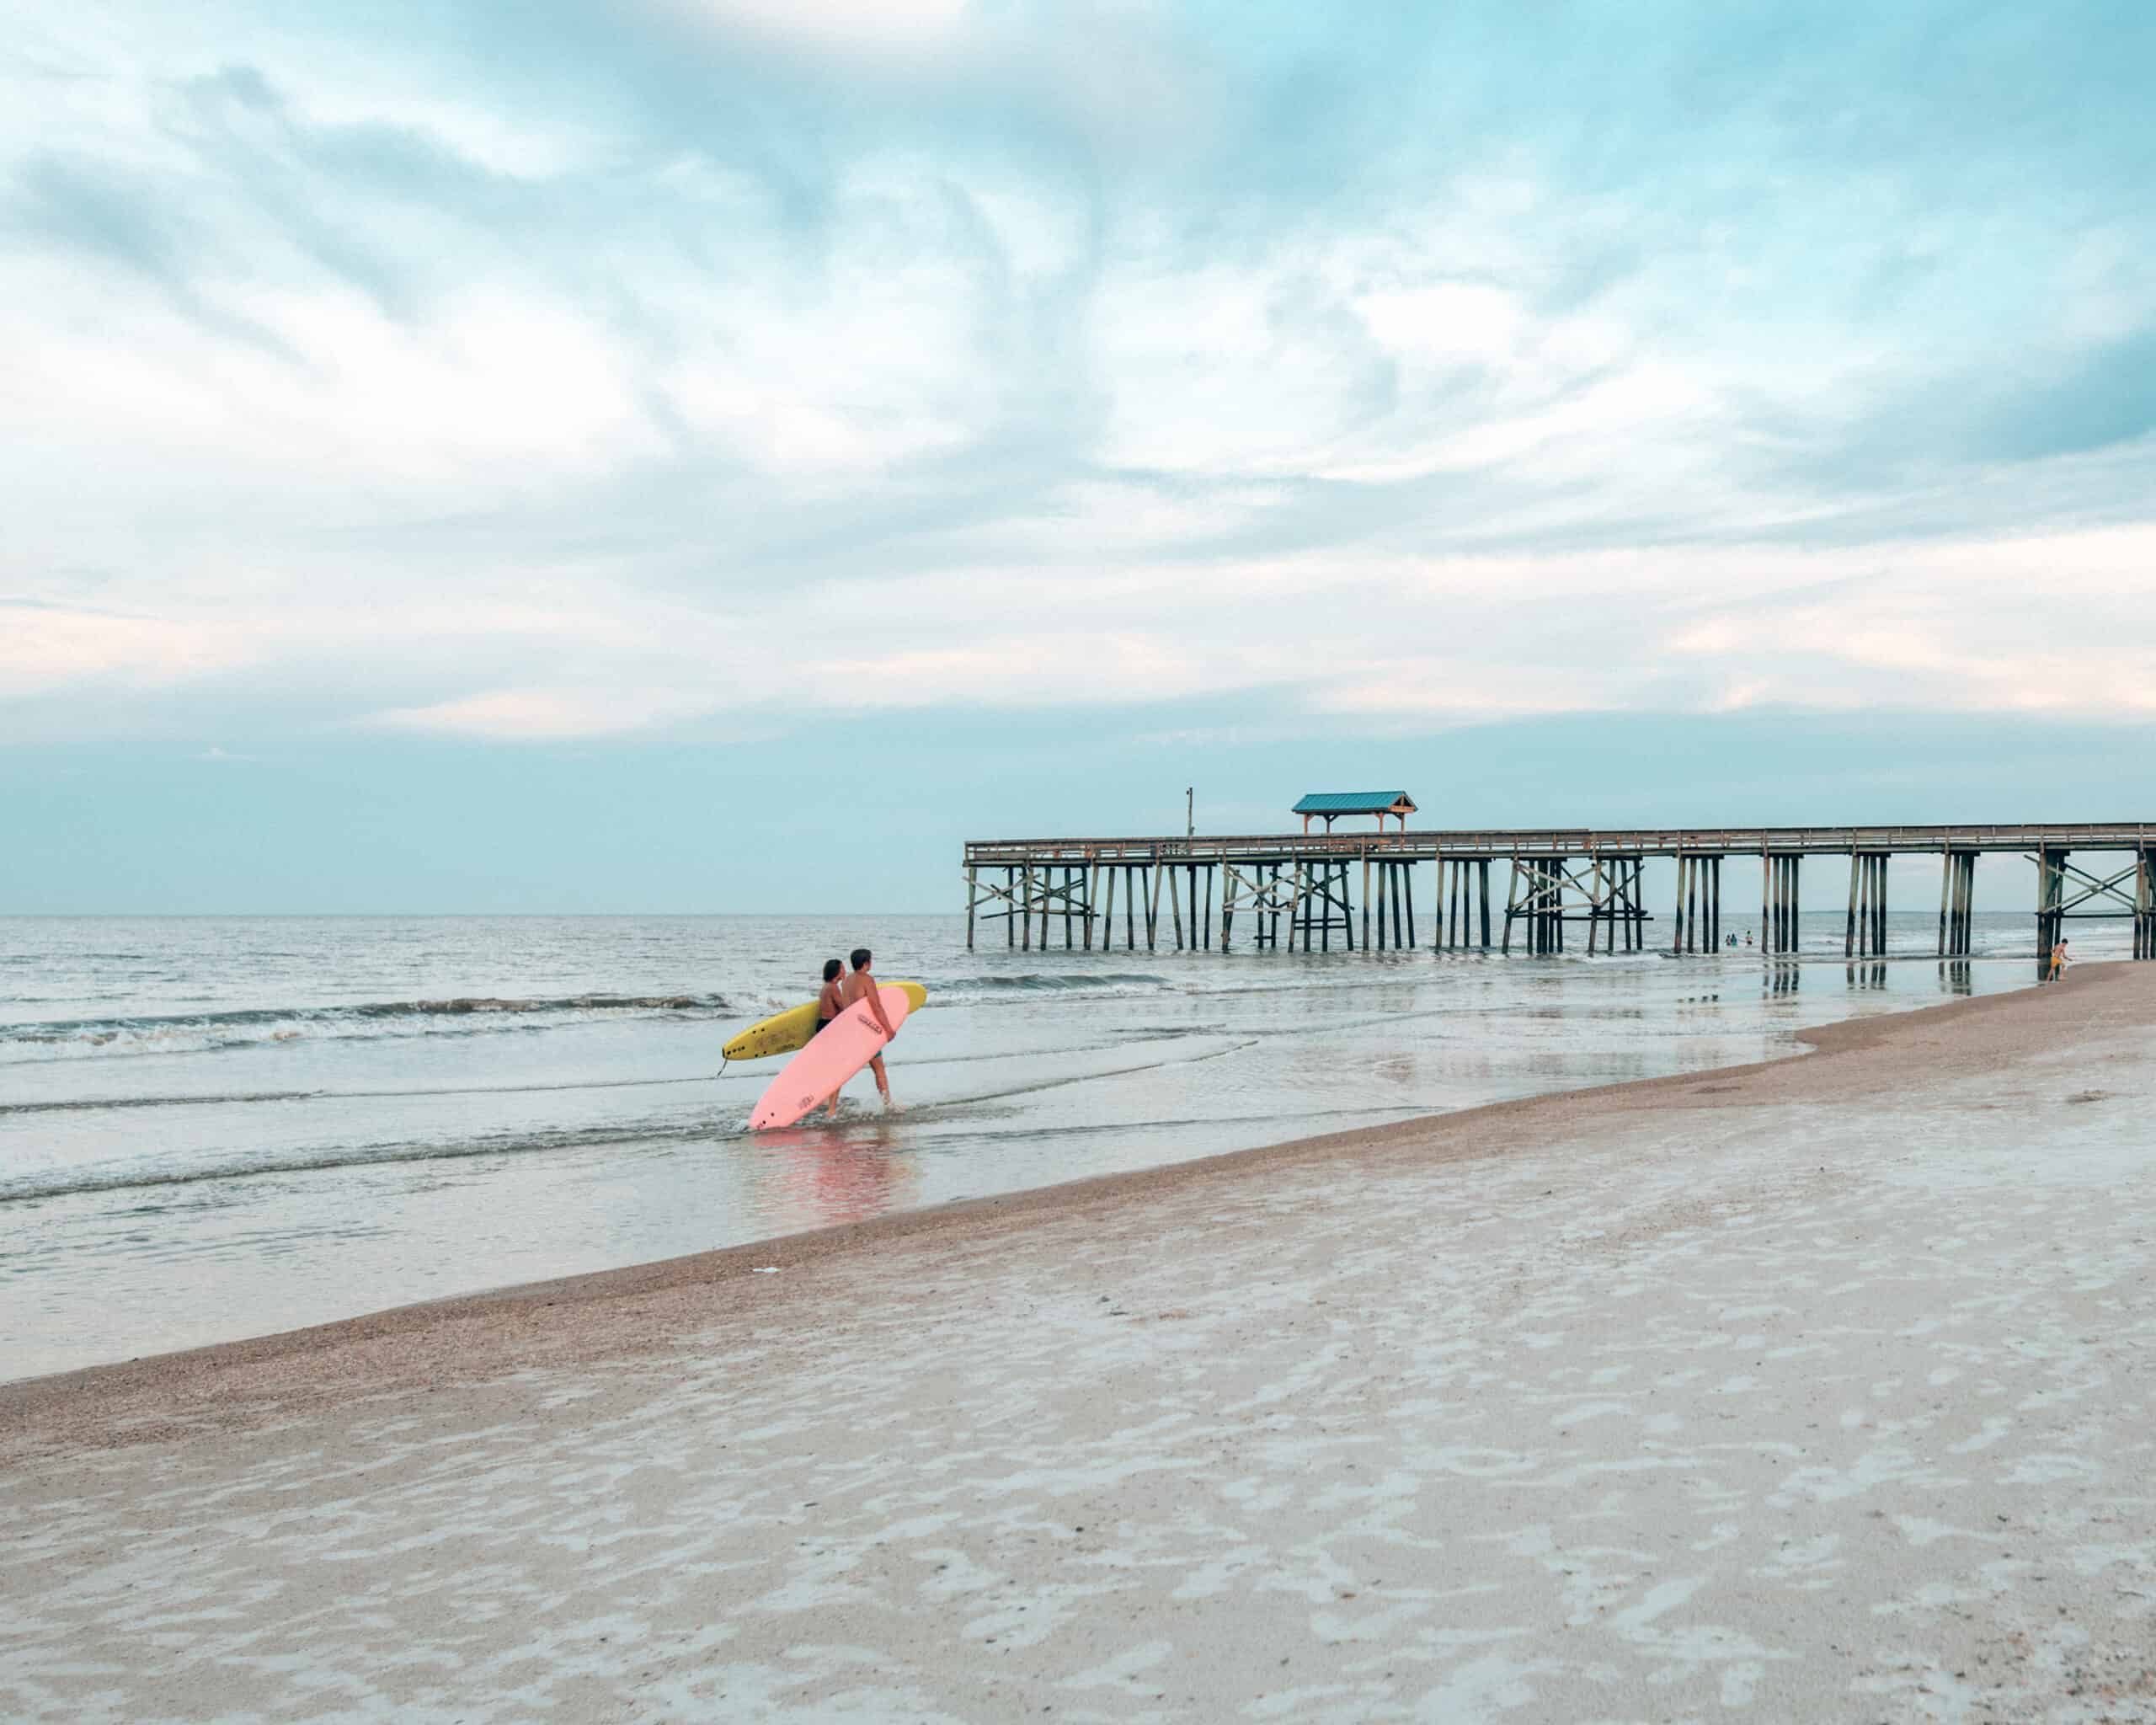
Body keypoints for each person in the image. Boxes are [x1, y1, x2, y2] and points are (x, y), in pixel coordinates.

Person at [840, 946, 898, 1108]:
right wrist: (888, 1029)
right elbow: (876, 1006)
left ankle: (830, 1107)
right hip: (865, 1032)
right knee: (879, 1068)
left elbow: (846, 1009)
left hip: (849, 1029)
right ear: (866, 963)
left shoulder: (846, 981)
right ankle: (888, 1105)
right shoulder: (867, 979)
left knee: (843, 1071)